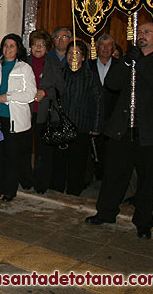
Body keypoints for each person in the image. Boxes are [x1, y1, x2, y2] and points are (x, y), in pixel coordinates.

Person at [85, 23, 153, 239]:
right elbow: (112, 83)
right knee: (114, 174)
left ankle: (143, 222)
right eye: (139, 32)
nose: (141, 35)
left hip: (149, 131)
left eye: (146, 32)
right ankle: (106, 212)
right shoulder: (128, 59)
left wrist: (140, 63)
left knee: (147, 179)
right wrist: (126, 61)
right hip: (122, 128)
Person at [0, 34, 36, 202]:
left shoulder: (24, 68)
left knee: (12, 156)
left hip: (14, 119)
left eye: (12, 46)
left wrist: (7, 97)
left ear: (18, 49)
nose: (8, 49)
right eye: (5, 45)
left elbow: (31, 94)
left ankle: (9, 190)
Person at [50, 40, 103, 196]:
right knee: (59, 161)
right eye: (70, 53)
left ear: (83, 57)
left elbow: (98, 100)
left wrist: (96, 125)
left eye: (77, 53)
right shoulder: (60, 73)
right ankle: (57, 190)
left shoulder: (90, 77)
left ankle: (74, 192)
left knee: (78, 163)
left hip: (82, 125)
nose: (73, 56)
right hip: (61, 125)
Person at [26, 29, 65, 194]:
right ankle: (27, 180)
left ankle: (42, 183)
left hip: (46, 114)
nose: (38, 47)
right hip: (26, 112)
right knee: (25, 149)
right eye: (35, 44)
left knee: (43, 152)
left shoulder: (53, 64)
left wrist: (46, 92)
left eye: (42, 44)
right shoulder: (24, 63)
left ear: (47, 48)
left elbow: (62, 88)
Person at [87, 34, 120, 179]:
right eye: (102, 45)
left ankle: (108, 176)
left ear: (113, 48)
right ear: (97, 47)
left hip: (113, 114)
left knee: (110, 151)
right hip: (92, 114)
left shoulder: (120, 66)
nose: (106, 48)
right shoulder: (89, 65)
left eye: (109, 45)